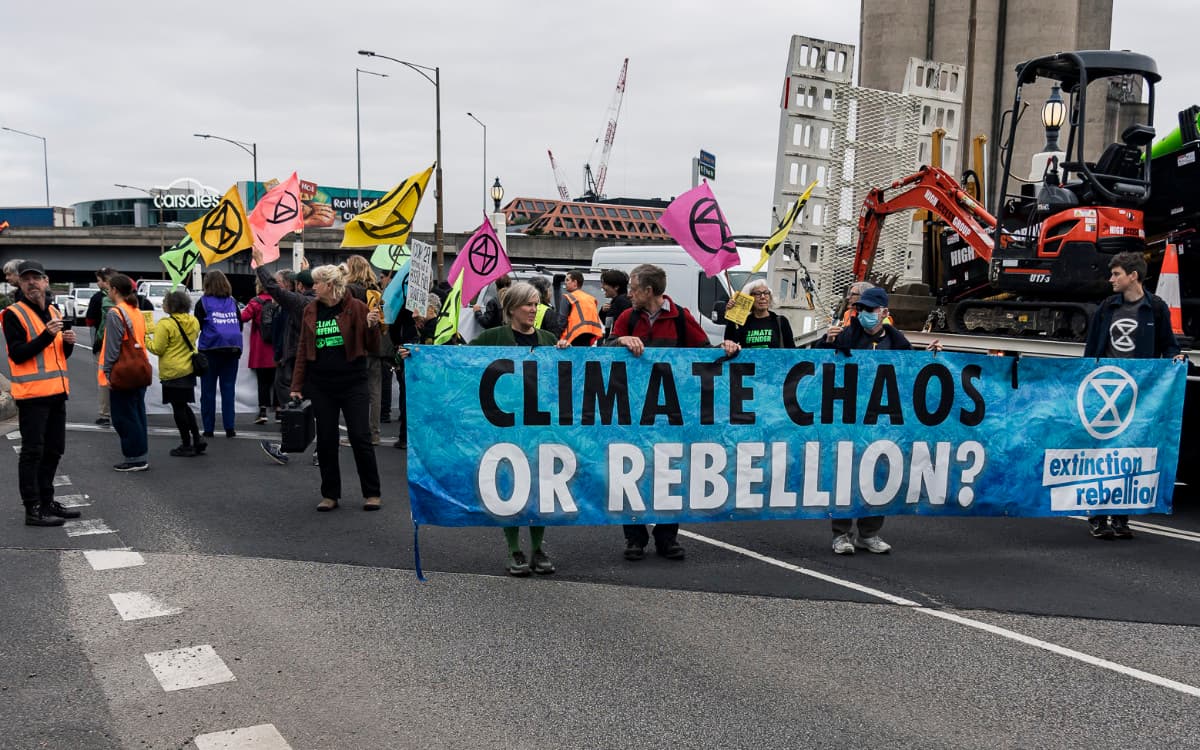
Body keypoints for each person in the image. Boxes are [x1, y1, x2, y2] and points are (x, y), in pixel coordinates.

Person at [1082, 250, 1185, 540]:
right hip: (1107, 391)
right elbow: (1091, 351)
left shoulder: (1156, 308)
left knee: (1130, 453)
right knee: (1103, 454)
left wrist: (1174, 360)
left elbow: (1169, 345)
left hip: (1139, 394)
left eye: (1116, 274)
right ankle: (1097, 516)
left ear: (1133, 276)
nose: (1111, 279)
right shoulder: (1107, 308)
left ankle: (1121, 517)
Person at [610, 263, 709, 561]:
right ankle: (635, 539)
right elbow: (602, 351)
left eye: (633, 288)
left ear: (648, 290)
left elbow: (704, 352)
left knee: (670, 471)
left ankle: (667, 538)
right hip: (633, 409)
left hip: (669, 412)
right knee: (630, 471)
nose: (629, 293)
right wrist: (619, 341)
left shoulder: (681, 317)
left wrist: (727, 347)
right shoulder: (627, 317)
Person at [469, 281, 566, 575]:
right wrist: (414, 356)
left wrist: (567, 352)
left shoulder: (548, 338)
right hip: (506, 426)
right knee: (512, 485)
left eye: (536, 305)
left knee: (540, 485)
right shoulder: (492, 337)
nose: (533, 310)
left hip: (541, 426)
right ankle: (514, 549)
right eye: (528, 305)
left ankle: (538, 548)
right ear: (511, 308)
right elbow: (458, 362)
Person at [819, 286, 914, 554]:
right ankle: (842, 534)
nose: (864, 314)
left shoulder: (898, 343)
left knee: (880, 474)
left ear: (884, 312)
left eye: (870, 310)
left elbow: (912, 373)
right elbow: (814, 364)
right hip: (848, 419)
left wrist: (932, 354)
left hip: (882, 421)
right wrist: (827, 342)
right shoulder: (845, 336)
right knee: (845, 474)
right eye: (860, 309)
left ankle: (869, 533)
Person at [290, 264, 383, 511]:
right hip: (321, 384)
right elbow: (302, 349)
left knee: (360, 436)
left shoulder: (357, 308)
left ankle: (372, 493)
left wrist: (373, 326)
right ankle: (330, 494)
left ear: (329, 285)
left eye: (317, 283)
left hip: (353, 382)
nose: (314, 286)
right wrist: (297, 385)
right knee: (327, 440)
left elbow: (373, 347)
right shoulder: (310, 310)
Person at [3, 260, 78, 526]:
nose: (32, 283)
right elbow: (18, 354)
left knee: (54, 450)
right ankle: (32, 508)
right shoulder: (14, 313)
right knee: (33, 451)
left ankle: (47, 501)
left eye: (36, 278)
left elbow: (59, 356)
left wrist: (66, 345)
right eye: (26, 279)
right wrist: (47, 336)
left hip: (57, 392)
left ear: (46, 281)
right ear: (20, 284)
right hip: (33, 395)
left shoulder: (55, 312)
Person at [252, 250, 318, 465]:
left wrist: (260, 264)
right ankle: (321, 451)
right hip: (318, 360)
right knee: (317, 407)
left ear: (299, 286)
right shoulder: (323, 302)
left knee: (292, 404)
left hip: (295, 359)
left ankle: (285, 448)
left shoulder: (299, 303)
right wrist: (306, 273)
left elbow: (273, 288)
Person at [85, 267, 151, 426]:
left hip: (110, 351)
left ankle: (105, 414)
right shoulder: (137, 308)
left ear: (112, 287)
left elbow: (90, 322)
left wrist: (107, 369)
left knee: (108, 385)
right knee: (134, 401)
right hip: (137, 356)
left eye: (100, 280)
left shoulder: (110, 308)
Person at [146, 290, 205, 457]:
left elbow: (157, 348)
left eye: (165, 302)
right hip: (188, 369)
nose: (163, 304)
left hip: (172, 371)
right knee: (185, 405)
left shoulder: (166, 324)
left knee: (178, 409)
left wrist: (145, 338)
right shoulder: (193, 321)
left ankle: (186, 444)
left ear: (171, 305)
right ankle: (197, 439)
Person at [102, 274, 151, 472]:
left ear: (114, 290)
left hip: (124, 370)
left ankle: (133, 457)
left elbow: (113, 348)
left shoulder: (116, 313)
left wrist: (107, 371)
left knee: (124, 416)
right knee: (137, 413)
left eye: (109, 288)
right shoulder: (136, 310)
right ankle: (140, 454)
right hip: (139, 367)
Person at [194, 270, 242, 438]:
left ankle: (208, 429)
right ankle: (230, 427)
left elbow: (196, 326)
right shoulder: (232, 302)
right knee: (228, 389)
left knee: (208, 391)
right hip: (232, 349)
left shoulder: (203, 302)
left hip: (210, 350)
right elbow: (240, 324)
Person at [344, 255, 384, 445]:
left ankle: (357, 434)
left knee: (356, 392)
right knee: (374, 391)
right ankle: (374, 433)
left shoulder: (350, 290)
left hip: (357, 346)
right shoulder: (376, 290)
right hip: (375, 344)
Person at [240, 279, 278, 425]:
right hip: (276, 349)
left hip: (260, 350)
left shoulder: (255, 302)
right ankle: (279, 411)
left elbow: (243, 317)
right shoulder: (278, 300)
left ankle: (263, 412)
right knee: (276, 382)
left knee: (263, 383)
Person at [722, 279, 796, 352]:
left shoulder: (781, 321)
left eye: (766, 293)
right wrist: (731, 314)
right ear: (749, 297)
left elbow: (792, 351)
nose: (763, 297)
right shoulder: (743, 323)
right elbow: (729, 344)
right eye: (757, 293)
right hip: (749, 363)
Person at [556, 270, 604, 346]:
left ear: (575, 282)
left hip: (574, 335)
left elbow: (562, 320)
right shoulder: (591, 298)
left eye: (567, 280)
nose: (565, 282)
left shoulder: (568, 297)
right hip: (590, 333)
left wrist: (557, 336)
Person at [599, 268, 632, 335]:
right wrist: (603, 312)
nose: (602, 286)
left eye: (605, 284)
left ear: (616, 287)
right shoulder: (615, 302)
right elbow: (607, 324)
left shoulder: (623, 302)